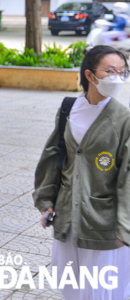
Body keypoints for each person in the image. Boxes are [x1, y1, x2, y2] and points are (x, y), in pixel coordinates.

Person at [34, 45, 130, 300]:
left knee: (101, 292)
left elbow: (128, 177)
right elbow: (53, 156)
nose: (117, 78)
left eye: (122, 72)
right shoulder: (69, 109)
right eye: (110, 71)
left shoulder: (124, 119)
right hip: (68, 217)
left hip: (104, 223)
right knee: (71, 287)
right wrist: (46, 201)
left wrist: (125, 225)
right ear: (90, 75)